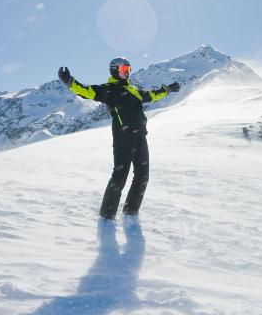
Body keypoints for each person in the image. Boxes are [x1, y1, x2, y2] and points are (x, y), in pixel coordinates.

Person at [58, 58, 180, 220]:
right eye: (124, 68)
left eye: (129, 68)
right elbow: (87, 91)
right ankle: (107, 215)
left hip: (140, 136)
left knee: (143, 175)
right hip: (123, 138)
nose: (127, 71)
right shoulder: (109, 90)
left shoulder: (134, 90)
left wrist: (168, 89)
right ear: (114, 70)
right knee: (120, 175)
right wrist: (70, 82)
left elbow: (152, 95)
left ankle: (131, 211)